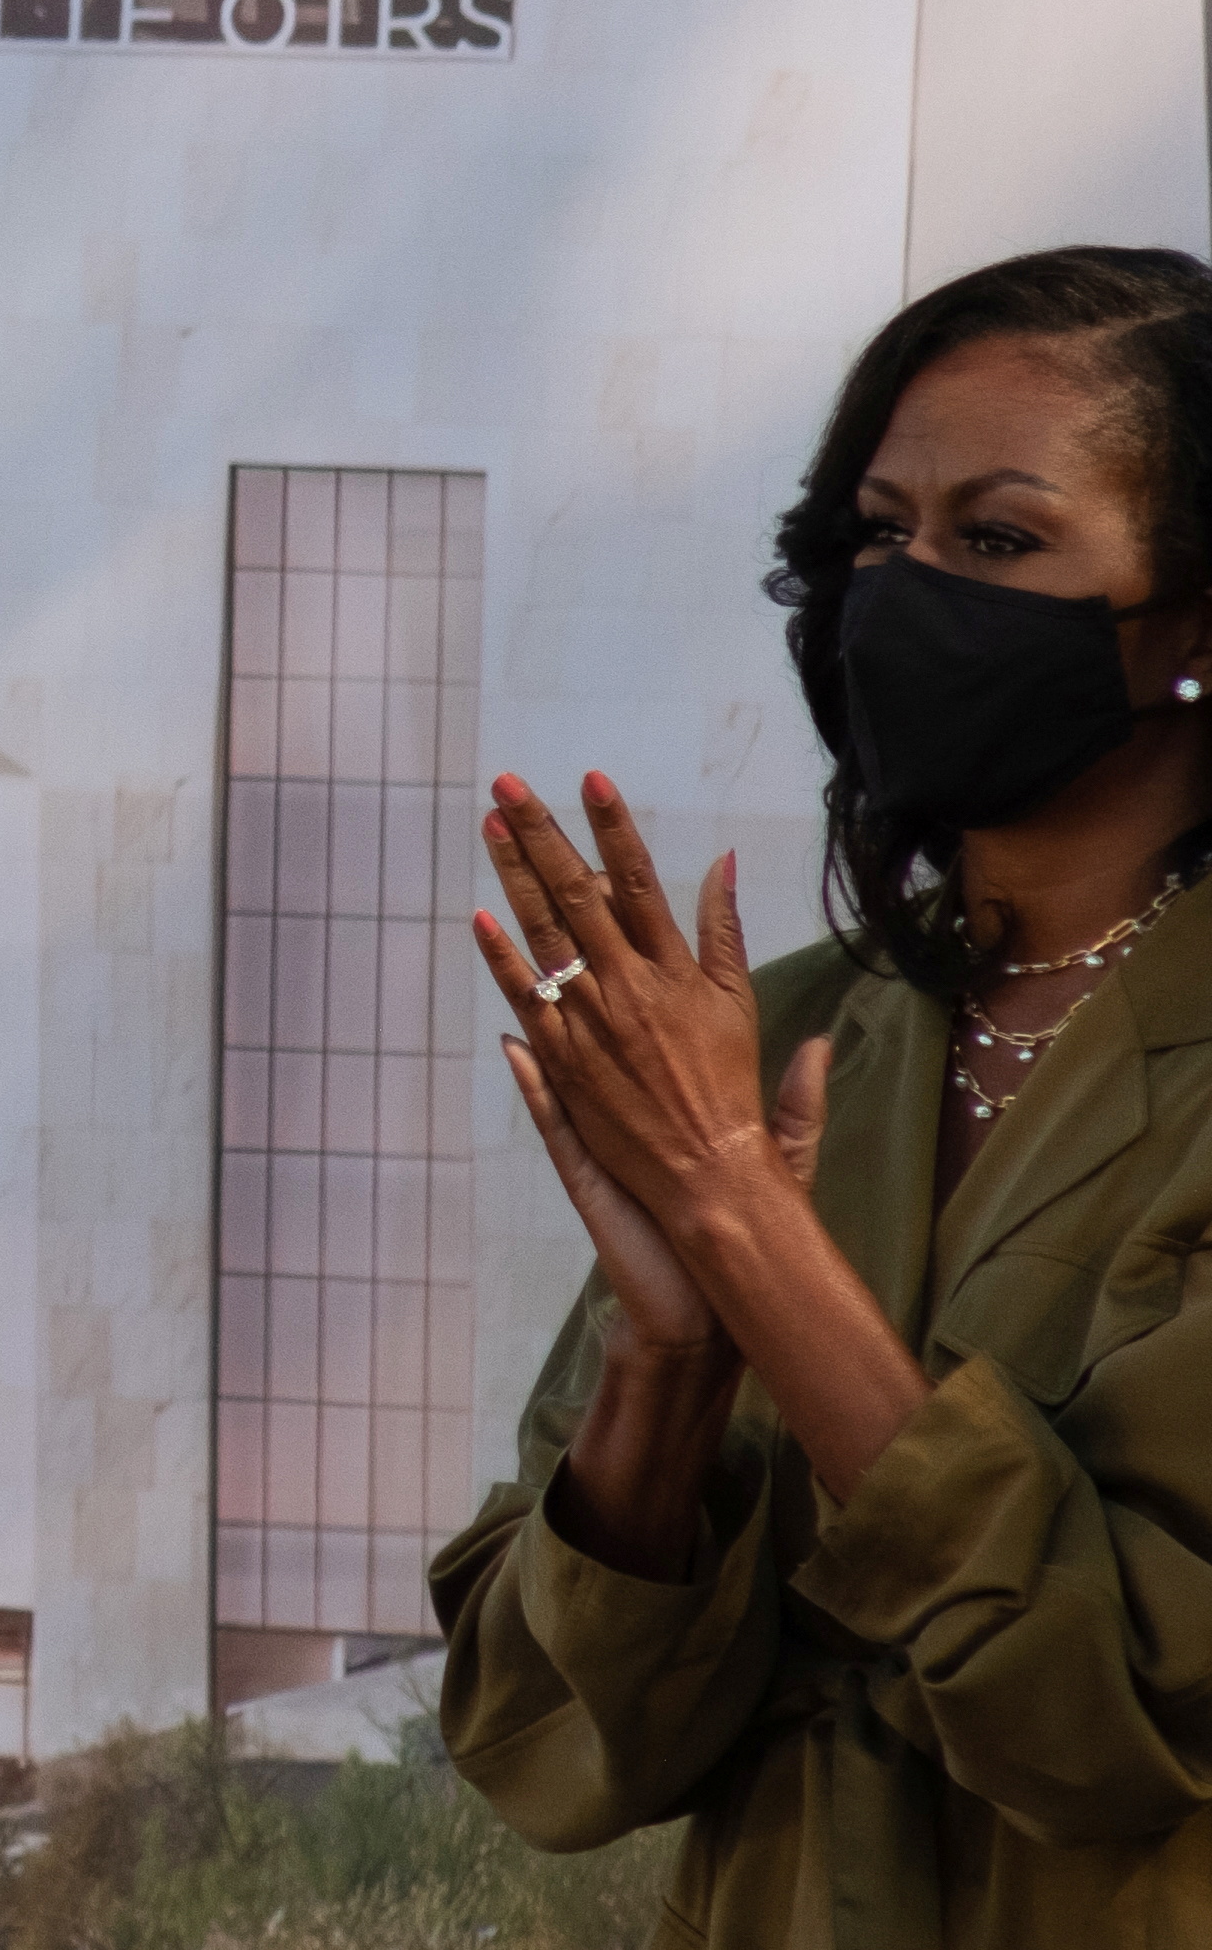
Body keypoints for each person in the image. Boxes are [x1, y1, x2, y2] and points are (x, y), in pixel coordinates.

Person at [435, 242, 1212, 1934]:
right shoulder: (778, 1038)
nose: (903, 593)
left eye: (996, 540)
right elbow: (544, 1736)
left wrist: (750, 1235)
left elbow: (1117, 1721)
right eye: (877, 537)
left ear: (1191, 625)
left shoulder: (723, 1121)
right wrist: (667, 1366)